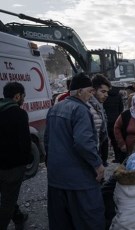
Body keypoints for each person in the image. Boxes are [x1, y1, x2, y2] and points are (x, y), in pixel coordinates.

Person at [44, 73, 105, 229]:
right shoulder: (80, 110)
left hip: (56, 179)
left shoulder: (54, 108)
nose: (92, 95)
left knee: (61, 222)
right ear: (79, 92)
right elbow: (83, 142)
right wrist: (98, 164)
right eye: (90, 91)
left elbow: (47, 142)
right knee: (89, 220)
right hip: (79, 180)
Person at [0, 82, 31, 229]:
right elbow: (24, 142)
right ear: (17, 96)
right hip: (12, 167)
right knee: (8, 201)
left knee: (7, 195)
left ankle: (18, 216)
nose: (23, 100)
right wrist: (28, 160)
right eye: (23, 96)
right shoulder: (19, 114)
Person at [88, 74, 111, 167]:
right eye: (103, 91)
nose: (106, 95)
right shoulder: (90, 108)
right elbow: (92, 140)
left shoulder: (98, 106)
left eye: (107, 92)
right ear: (93, 91)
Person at [103, 86, 125, 163]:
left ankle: (115, 157)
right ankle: (121, 157)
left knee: (111, 140)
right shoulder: (118, 96)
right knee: (119, 139)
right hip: (117, 120)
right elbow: (121, 108)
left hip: (108, 121)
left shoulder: (106, 97)